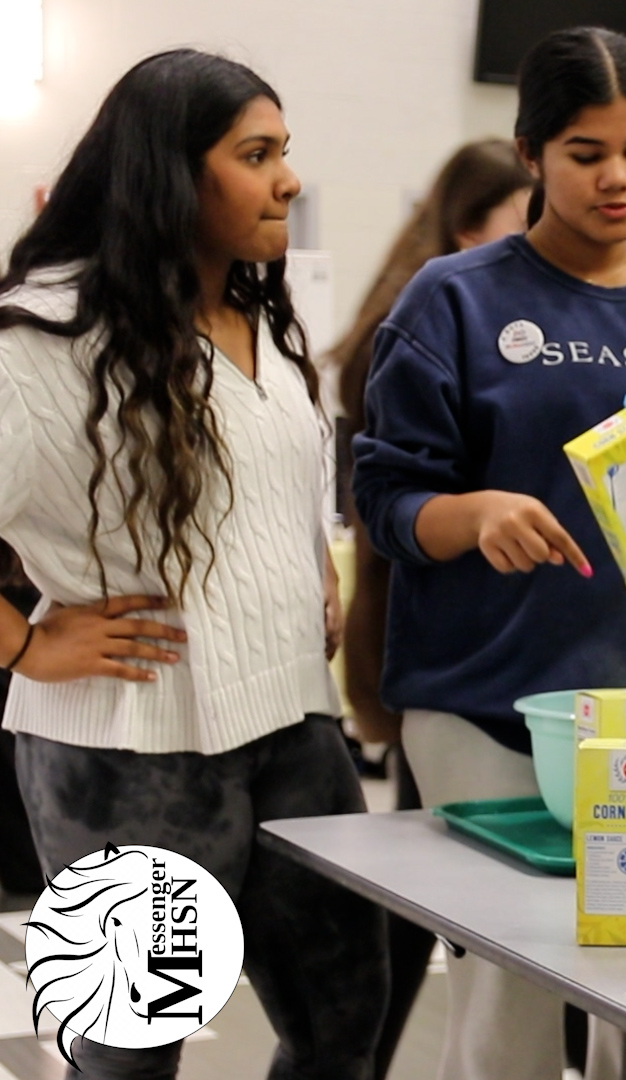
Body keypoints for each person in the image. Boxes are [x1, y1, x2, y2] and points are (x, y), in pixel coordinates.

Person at [352, 27, 626, 1080]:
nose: (618, 176)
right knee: (514, 991)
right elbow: (382, 495)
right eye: (588, 152)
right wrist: (473, 515)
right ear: (532, 151)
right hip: (486, 706)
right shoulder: (455, 300)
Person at [0, 49, 387, 1078]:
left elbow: (270, 472)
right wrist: (27, 644)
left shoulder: (254, 313)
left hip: (294, 724)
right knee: (131, 1056)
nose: (288, 181)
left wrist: (314, 565)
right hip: (130, 746)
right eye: (256, 155)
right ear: (170, 174)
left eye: (284, 153)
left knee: (349, 1015)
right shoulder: (49, 334)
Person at [328, 136, 532, 1080]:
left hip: (428, 640)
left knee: (432, 910)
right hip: (443, 645)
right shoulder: (430, 323)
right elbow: (394, 506)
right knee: (437, 914)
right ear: (469, 229)